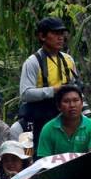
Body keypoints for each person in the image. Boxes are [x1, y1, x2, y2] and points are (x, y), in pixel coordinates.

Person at [18, 17, 82, 152]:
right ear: (42, 36)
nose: (60, 38)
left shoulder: (68, 60)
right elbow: (25, 94)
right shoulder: (33, 62)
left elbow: (76, 88)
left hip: (65, 116)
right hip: (40, 118)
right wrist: (54, 90)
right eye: (55, 33)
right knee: (42, 155)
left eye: (62, 34)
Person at [36, 84, 91, 158]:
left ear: (81, 104)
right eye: (66, 101)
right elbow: (43, 162)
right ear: (59, 106)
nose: (72, 105)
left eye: (76, 100)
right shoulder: (48, 129)